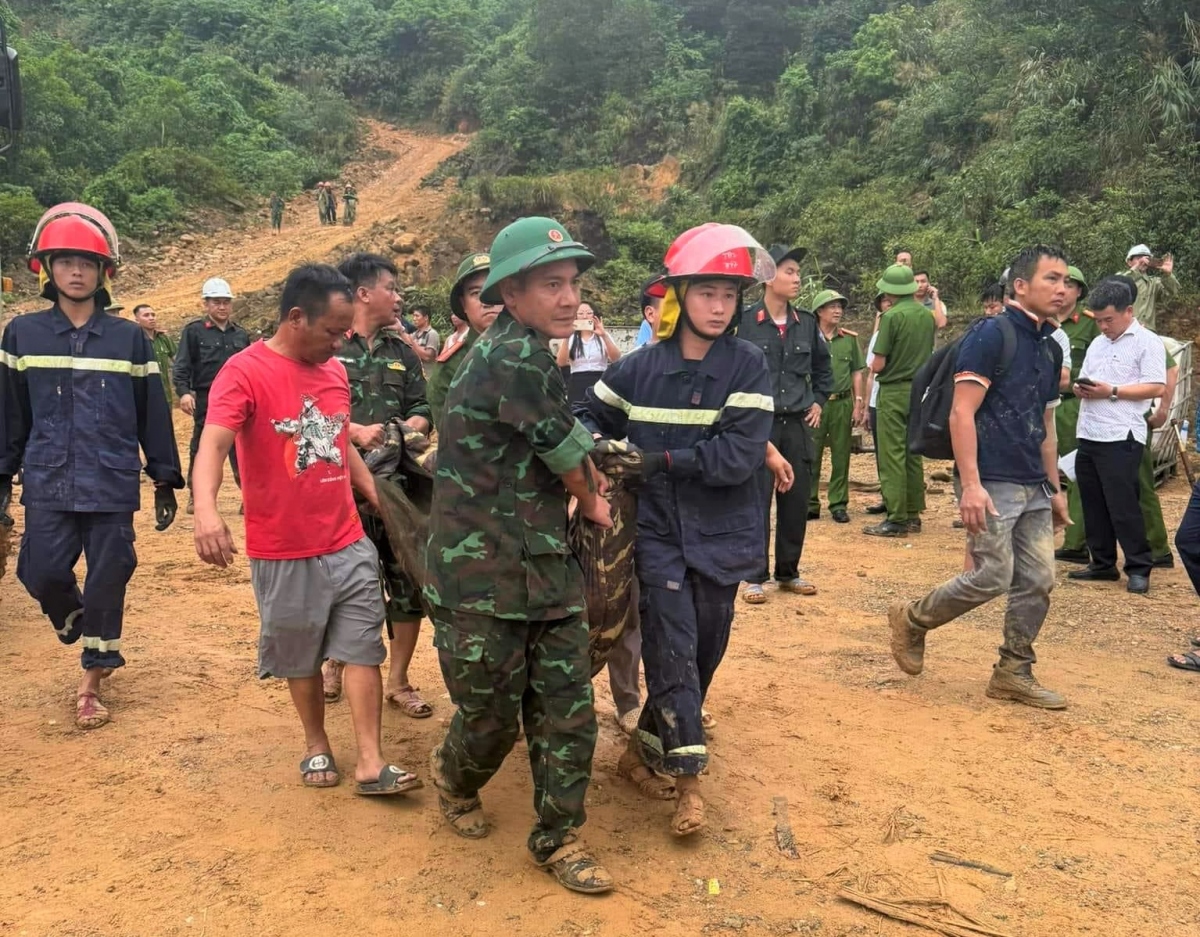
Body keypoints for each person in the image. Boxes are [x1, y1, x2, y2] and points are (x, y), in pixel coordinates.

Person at [424, 216, 613, 894]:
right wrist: (594, 499)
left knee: (568, 709)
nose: (568, 298)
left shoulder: (530, 348)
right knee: (491, 716)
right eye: (550, 284)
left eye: (573, 284)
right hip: (480, 575)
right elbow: (568, 454)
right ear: (510, 292)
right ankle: (453, 775)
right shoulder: (511, 356)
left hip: (542, 563)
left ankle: (558, 836)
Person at [193, 263, 423, 797]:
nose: (340, 341)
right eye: (332, 331)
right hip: (283, 548)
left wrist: (375, 498)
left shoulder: (335, 372)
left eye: (346, 331)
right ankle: (316, 741)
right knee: (299, 655)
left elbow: (338, 442)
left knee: (363, 646)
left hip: (345, 538)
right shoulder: (243, 371)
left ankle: (370, 761)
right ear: (296, 317)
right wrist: (206, 511)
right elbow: (214, 444)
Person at [577, 222, 775, 838]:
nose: (719, 307)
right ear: (678, 296)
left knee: (706, 650)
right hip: (659, 533)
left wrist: (656, 461)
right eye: (707, 293)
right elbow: (585, 411)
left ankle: (640, 752)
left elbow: (738, 458)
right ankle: (688, 787)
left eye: (729, 295)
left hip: (724, 533)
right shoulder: (640, 368)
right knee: (671, 646)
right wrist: (603, 446)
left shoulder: (750, 364)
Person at [1, 203, 183, 729]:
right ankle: (69, 613)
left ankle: (91, 681)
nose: (76, 271)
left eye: (87, 262)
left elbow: (152, 412)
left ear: (106, 272)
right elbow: (9, 413)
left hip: (110, 480)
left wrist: (165, 477)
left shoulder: (129, 338)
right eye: (65, 261)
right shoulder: (22, 335)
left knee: (110, 575)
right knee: (40, 569)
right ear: (46, 268)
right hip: (47, 479)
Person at [888, 245, 1070, 709]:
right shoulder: (991, 335)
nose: (1062, 289)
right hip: (991, 478)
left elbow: (1046, 427)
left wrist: (1055, 489)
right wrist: (970, 485)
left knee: (1039, 579)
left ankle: (1013, 670)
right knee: (993, 574)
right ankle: (912, 618)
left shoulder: (1048, 347)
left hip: (1032, 481)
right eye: (1051, 279)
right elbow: (961, 413)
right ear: (1021, 286)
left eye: (1065, 281)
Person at [320, 252, 434, 718]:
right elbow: (307, 413)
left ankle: (400, 680)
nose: (399, 296)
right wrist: (354, 432)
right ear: (364, 292)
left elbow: (424, 407)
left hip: (396, 488)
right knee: (343, 582)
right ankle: (335, 662)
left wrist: (407, 427)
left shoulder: (401, 350)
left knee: (408, 580)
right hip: (337, 488)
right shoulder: (327, 348)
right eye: (392, 287)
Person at [738, 244, 832, 602]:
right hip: (757, 427)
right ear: (767, 276)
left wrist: (819, 402)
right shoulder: (744, 323)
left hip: (795, 424)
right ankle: (753, 576)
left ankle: (789, 572)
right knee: (755, 499)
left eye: (797, 272)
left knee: (795, 500)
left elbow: (824, 370)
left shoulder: (806, 323)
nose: (797, 278)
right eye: (789, 271)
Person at [1067, 277, 1166, 594]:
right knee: (1093, 503)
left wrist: (1111, 391)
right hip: (1090, 432)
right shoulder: (1098, 343)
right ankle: (1102, 563)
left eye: (1108, 320)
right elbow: (1092, 379)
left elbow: (1155, 387)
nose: (1104, 326)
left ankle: (1138, 567)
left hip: (1121, 435)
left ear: (1128, 311)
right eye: (1098, 321)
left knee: (1123, 505)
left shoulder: (1147, 342)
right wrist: (1080, 389)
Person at [865, 264, 936, 537]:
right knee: (912, 453)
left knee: (892, 454)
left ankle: (895, 519)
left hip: (893, 392)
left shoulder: (890, 317)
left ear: (889, 290)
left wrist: (874, 364)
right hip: (918, 391)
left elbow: (878, 364)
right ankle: (913, 513)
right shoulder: (927, 316)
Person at [173, 277, 250, 513]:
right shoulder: (194, 332)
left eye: (226, 302)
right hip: (208, 399)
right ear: (206, 304)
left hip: (239, 398)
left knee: (243, 448)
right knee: (203, 447)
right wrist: (185, 393)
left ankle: (249, 496)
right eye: (216, 302)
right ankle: (196, 496)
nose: (222, 307)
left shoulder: (241, 335)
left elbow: (251, 368)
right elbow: (182, 365)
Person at [1054, 267, 1099, 561]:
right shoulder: (1043, 321)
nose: (1062, 290)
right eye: (1057, 282)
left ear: (1080, 292)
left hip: (1072, 404)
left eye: (1069, 285)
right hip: (1043, 405)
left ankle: (1076, 541)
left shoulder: (1090, 324)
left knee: (1074, 471)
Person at [808, 290, 866, 524]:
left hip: (842, 403)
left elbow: (857, 372)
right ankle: (810, 503)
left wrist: (858, 403)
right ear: (819, 311)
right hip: (816, 405)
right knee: (811, 455)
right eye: (832, 306)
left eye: (840, 307)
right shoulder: (808, 340)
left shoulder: (849, 339)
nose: (837, 311)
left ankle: (839, 504)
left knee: (841, 455)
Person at [425, 252, 501, 426]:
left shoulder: (533, 351)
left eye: (495, 289)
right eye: (476, 293)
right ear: (463, 304)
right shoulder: (450, 368)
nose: (488, 301)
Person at [861, 292, 893, 516]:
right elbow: (871, 373)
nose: (889, 304)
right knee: (882, 453)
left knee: (896, 454)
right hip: (876, 400)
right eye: (885, 301)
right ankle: (888, 497)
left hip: (893, 399)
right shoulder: (877, 336)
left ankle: (899, 505)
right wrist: (865, 407)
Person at [555, 303, 621, 404]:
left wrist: (604, 335)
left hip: (600, 381)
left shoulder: (603, 336)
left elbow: (616, 359)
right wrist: (567, 336)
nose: (585, 316)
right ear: (575, 316)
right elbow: (561, 362)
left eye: (589, 313)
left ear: (595, 316)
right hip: (577, 382)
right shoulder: (571, 338)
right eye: (580, 313)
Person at [1120, 244, 1178, 330]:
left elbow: (1170, 295)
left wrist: (1168, 275)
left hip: (1147, 332)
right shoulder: (1121, 277)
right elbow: (1118, 286)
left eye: (1147, 258)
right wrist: (1135, 269)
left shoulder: (1154, 283)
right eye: (1138, 258)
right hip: (1124, 330)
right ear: (1129, 262)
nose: (1143, 261)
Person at [133, 303, 177, 408]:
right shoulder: (133, 341)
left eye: (153, 315)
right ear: (137, 320)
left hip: (166, 396)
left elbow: (179, 361)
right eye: (146, 315)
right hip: (145, 399)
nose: (151, 318)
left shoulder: (164, 339)